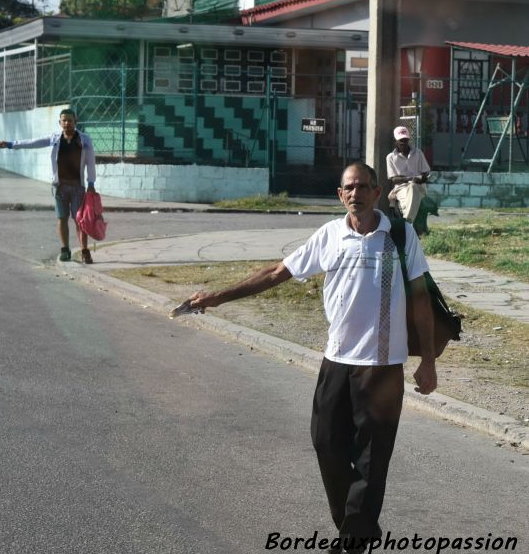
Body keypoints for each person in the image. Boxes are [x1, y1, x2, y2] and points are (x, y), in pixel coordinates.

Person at [177, 162, 436, 554]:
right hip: (336, 361)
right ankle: (359, 527)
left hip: (383, 367)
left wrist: (429, 360)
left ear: (377, 192)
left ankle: (352, 542)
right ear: (340, 194)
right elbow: (278, 272)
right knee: (326, 443)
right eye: (349, 188)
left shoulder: (399, 235)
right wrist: (218, 296)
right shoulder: (330, 235)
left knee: (371, 459)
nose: (356, 194)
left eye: (364, 187)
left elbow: (420, 299)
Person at [0, 108, 97, 263]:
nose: (67, 123)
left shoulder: (85, 140)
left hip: (77, 187)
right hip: (59, 187)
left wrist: (91, 183)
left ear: (76, 122)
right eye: (64, 120)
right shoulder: (55, 138)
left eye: (70, 120)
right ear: (60, 122)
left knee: (79, 220)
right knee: (62, 218)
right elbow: (33, 142)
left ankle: (84, 251)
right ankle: (65, 250)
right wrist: (10, 144)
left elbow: (91, 162)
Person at [386, 125, 431, 231]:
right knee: (410, 192)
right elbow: (393, 179)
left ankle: (406, 224)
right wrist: (411, 179)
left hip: (419, 186)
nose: (403, 143)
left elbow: (426, 174)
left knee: (413, 188)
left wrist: (421, 178)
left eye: (405, 140)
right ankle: (410, 226)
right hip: (401, 188)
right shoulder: (390, 157)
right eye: (401, 140)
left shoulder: (418, 153)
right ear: (395, 141)